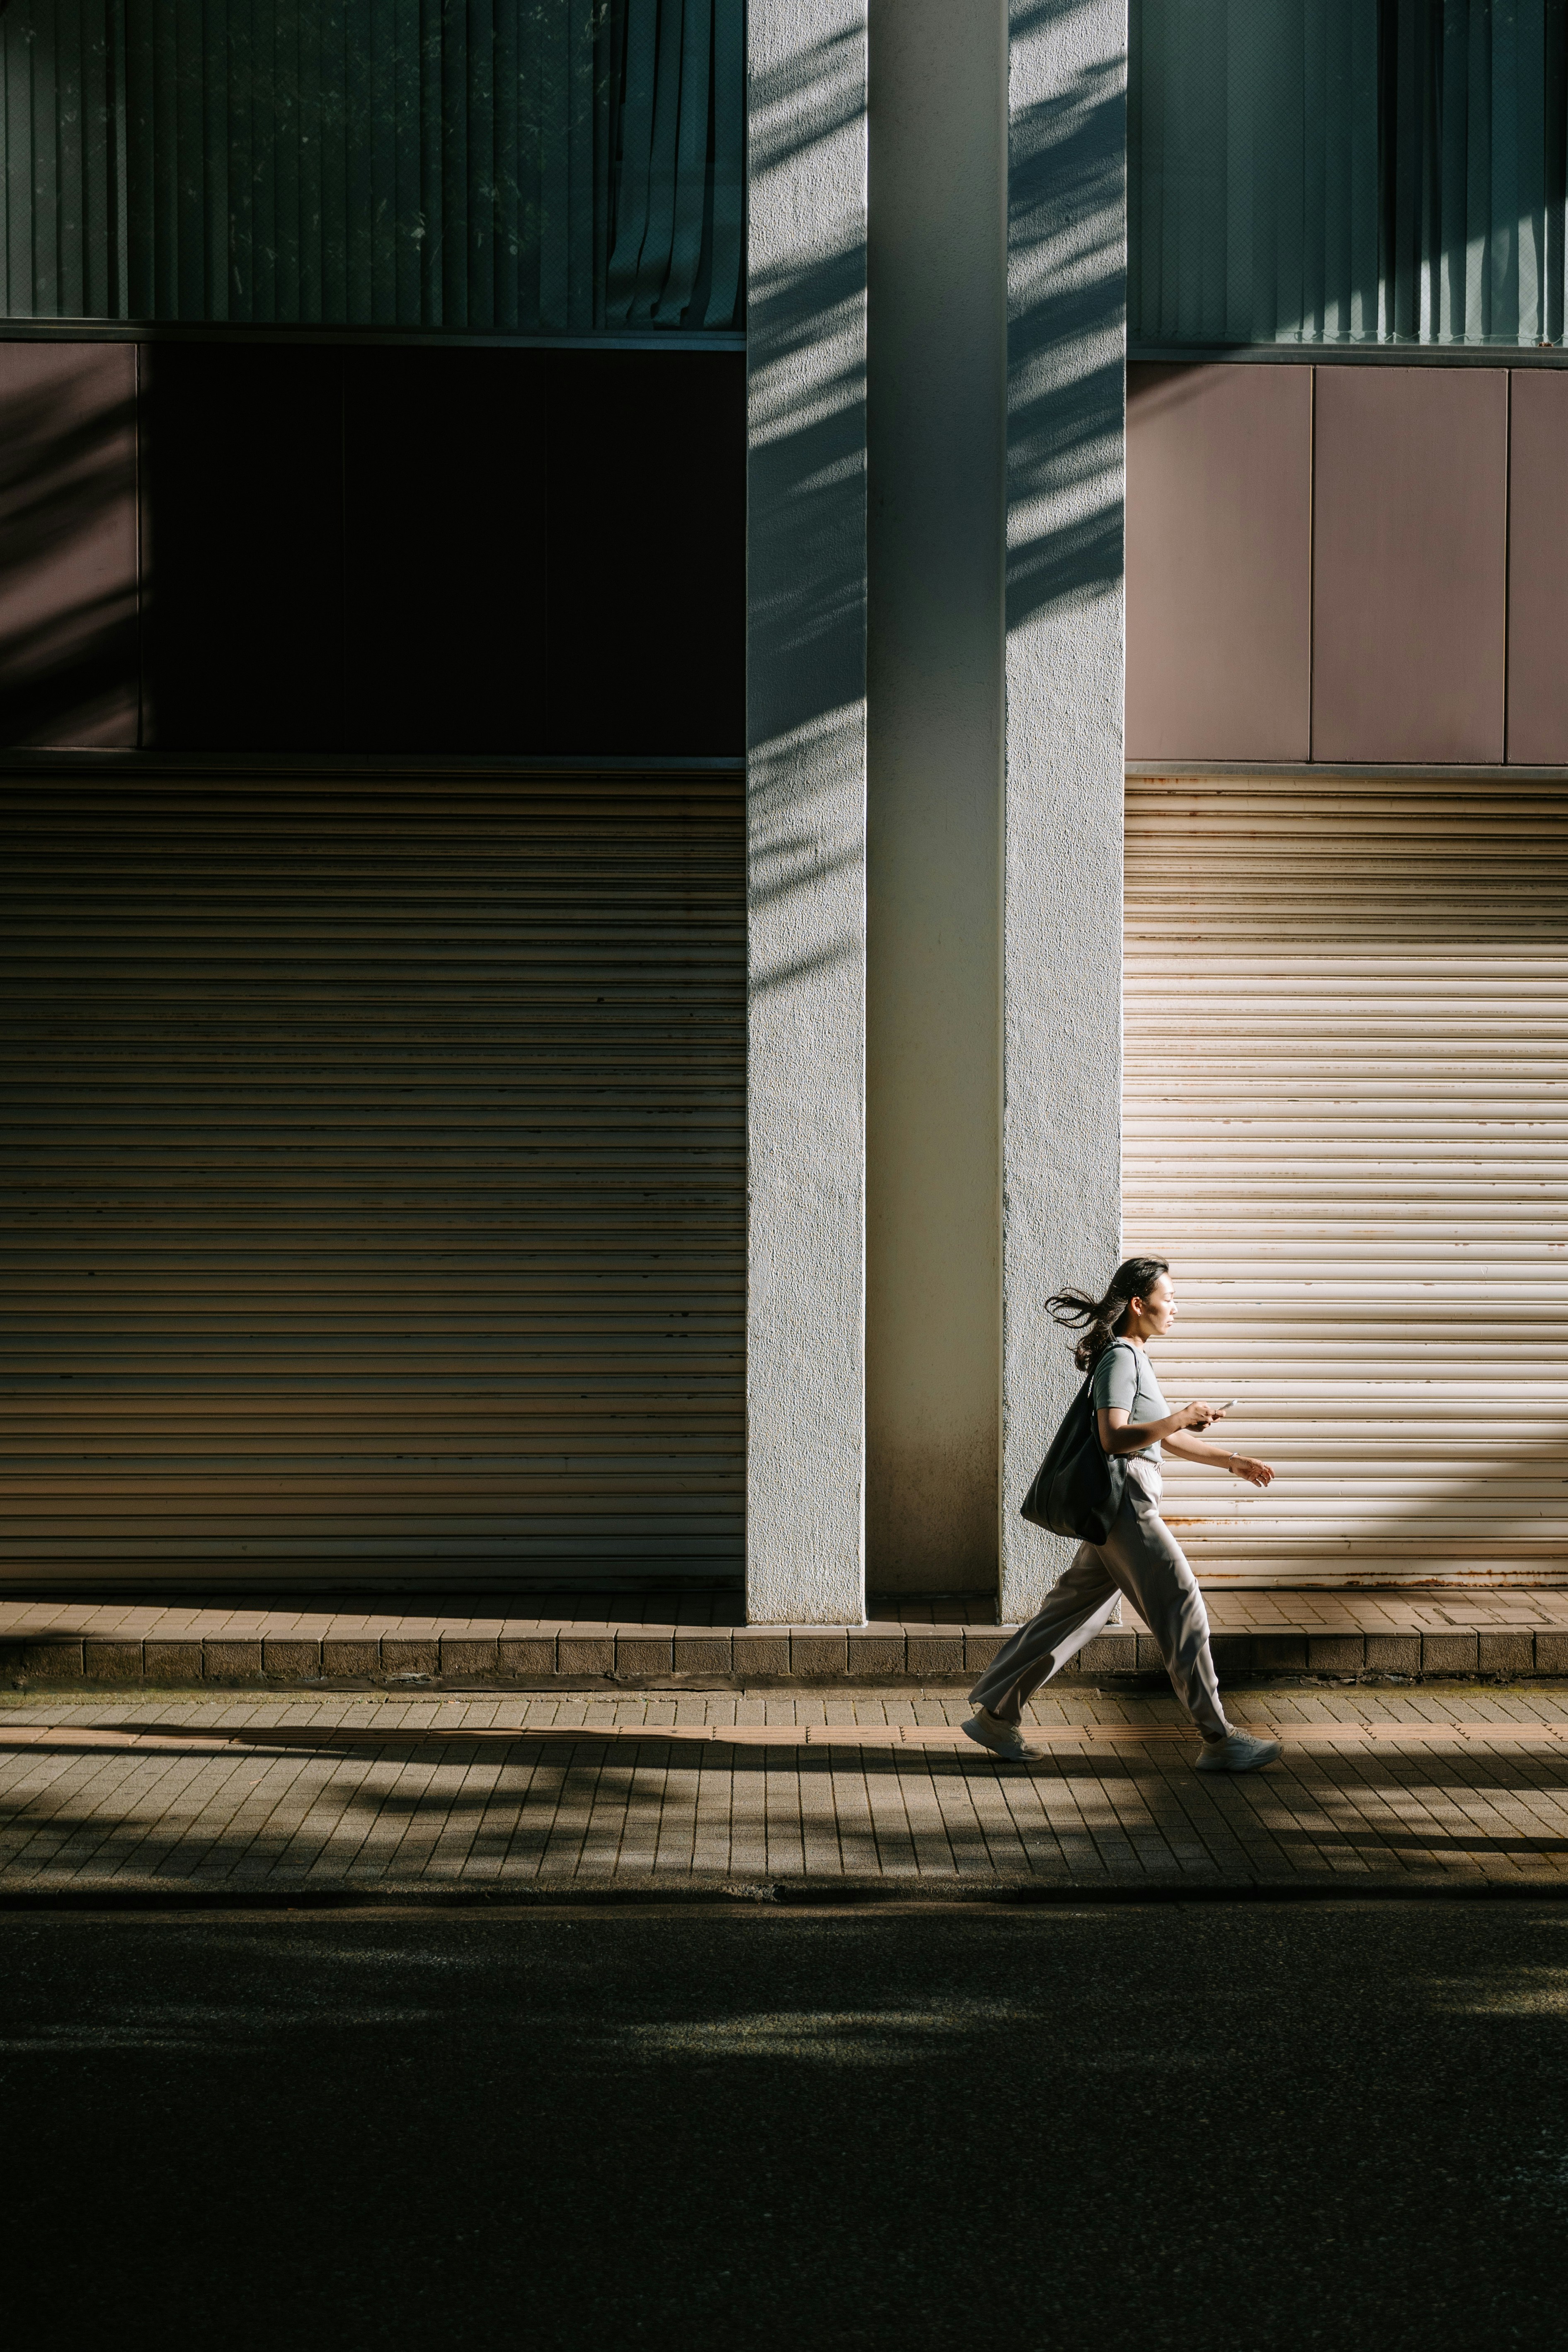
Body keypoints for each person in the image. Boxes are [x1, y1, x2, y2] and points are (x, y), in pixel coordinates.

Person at [964, 1256, 1283, 1773]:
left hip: (1121, 1504)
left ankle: (997, 1714)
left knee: (1072, 1612)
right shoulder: (1121, 1358)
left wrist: (1231, 1460)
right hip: (1127, 1503)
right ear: (1140, 1303)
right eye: (1169, 1297)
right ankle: (1219, 1736)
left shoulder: (1135, 1355)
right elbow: (1114, 1436)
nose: (1175, 1307)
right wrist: (1179, 1413)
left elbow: (1163, 1435)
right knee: (1182, 1605)